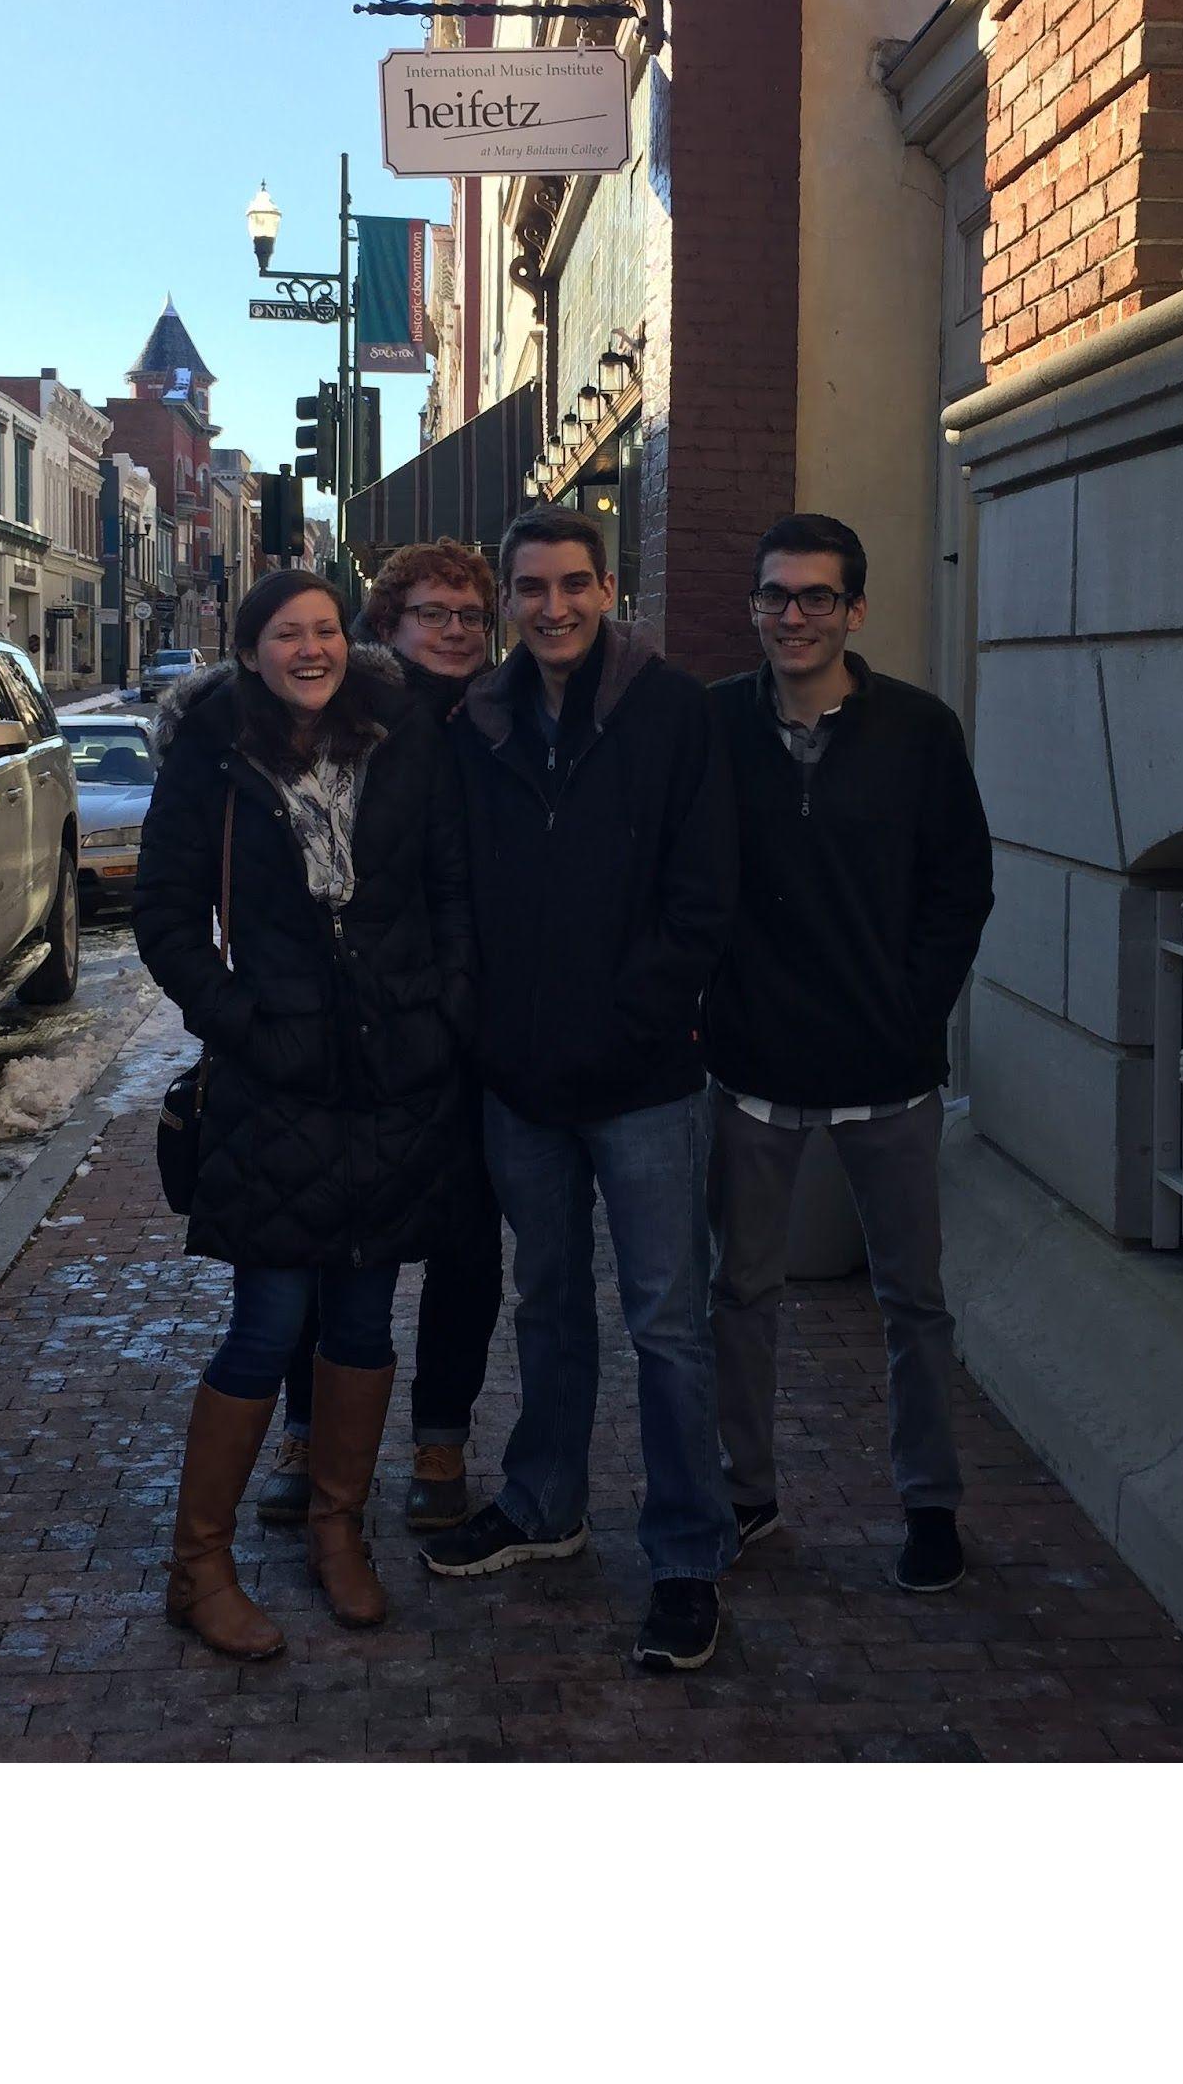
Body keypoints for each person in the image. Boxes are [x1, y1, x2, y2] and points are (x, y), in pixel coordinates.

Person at [131, 567, 474, 1658]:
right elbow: (164, 916)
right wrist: (243, 1022)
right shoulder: (213, 751)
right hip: (275, 1085)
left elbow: (450, 888)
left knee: (366, 1320)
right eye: (288, 633)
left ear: (351, 639)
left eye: (325, 628)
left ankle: (339, 1533)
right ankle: (200, 1564)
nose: (311, 648)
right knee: (268, 1321)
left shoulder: (401, 733)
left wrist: (441, 1011)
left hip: (390, 1074)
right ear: (249, 649)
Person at [424, 510, 740, 1673]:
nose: (549, 606)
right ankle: (545, 1499)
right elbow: (461, 894)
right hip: (521, 1080)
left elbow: (704, 896)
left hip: (645, 1078)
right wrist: (492, 1028)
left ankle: (685, 1554)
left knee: (667, 1320)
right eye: (527, 588)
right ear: (507, 600)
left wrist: (628, 1022)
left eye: (570, 584)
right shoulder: (481, 720)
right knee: (545, 1302)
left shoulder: (674, 712)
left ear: (607, 589)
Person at [700, 514, 994, 1593]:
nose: (792, 615)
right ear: (754, 610)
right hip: (750, 1066)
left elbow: (959, 886)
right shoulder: (714, 724)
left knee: (911, 1297)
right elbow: (688, 881)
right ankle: (745, 1490)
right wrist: (709, 1008)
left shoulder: (919, 729)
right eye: (774, 595)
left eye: (815, 596)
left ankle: (928, 1501)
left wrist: (914, 1009)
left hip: (889, 1068)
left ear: (853, 610)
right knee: (739, 1293)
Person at [263, 538, 505, 1534]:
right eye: (430, 613)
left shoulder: (506, 719)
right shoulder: (337, 722)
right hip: (353, 1024)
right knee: (332, 1229)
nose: (454, 631)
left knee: (465, 1244)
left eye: (467, 615)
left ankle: (440, 1438)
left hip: (478, 1025)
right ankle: (304, 1433)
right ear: (387, 624)